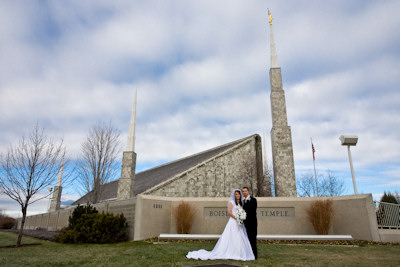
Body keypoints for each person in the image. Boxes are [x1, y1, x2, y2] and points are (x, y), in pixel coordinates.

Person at [186, 189, 255, 261]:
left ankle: (240, 253)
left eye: (238, 194)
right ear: (234, 195)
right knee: (233, 236)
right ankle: (231, 252)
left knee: (240, 236)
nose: (237, 195)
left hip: (239, 223)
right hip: (233, 222)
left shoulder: (240, 203)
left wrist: (242, 217)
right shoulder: (232, 202)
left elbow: (242, 211)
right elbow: (229, 212)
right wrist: (236, 218)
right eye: (236, 194)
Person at [242, 186, 258, 259]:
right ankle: (248, 254)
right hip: (245, 224)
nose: (244, 192)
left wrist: (246, 217)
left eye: (245, 191)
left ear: (248, 192)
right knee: (246, 240)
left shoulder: (253, 200)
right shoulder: (243, 201)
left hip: (252, 224)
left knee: (252, 240)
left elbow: (253, 211)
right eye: (243, 191)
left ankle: (254, 255)